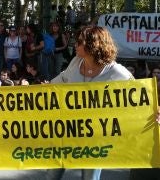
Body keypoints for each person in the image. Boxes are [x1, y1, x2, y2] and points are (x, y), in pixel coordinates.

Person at [47, 26, 134, 180]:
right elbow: (62, 79)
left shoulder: (117, 72)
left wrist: (155, 110)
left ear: (93, 45)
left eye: (79, 41)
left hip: (95, 138)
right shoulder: (75, 61)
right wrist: (38, 89)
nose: (75, 44)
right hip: (67, 132)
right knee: (52, 176)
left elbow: (140, 98)